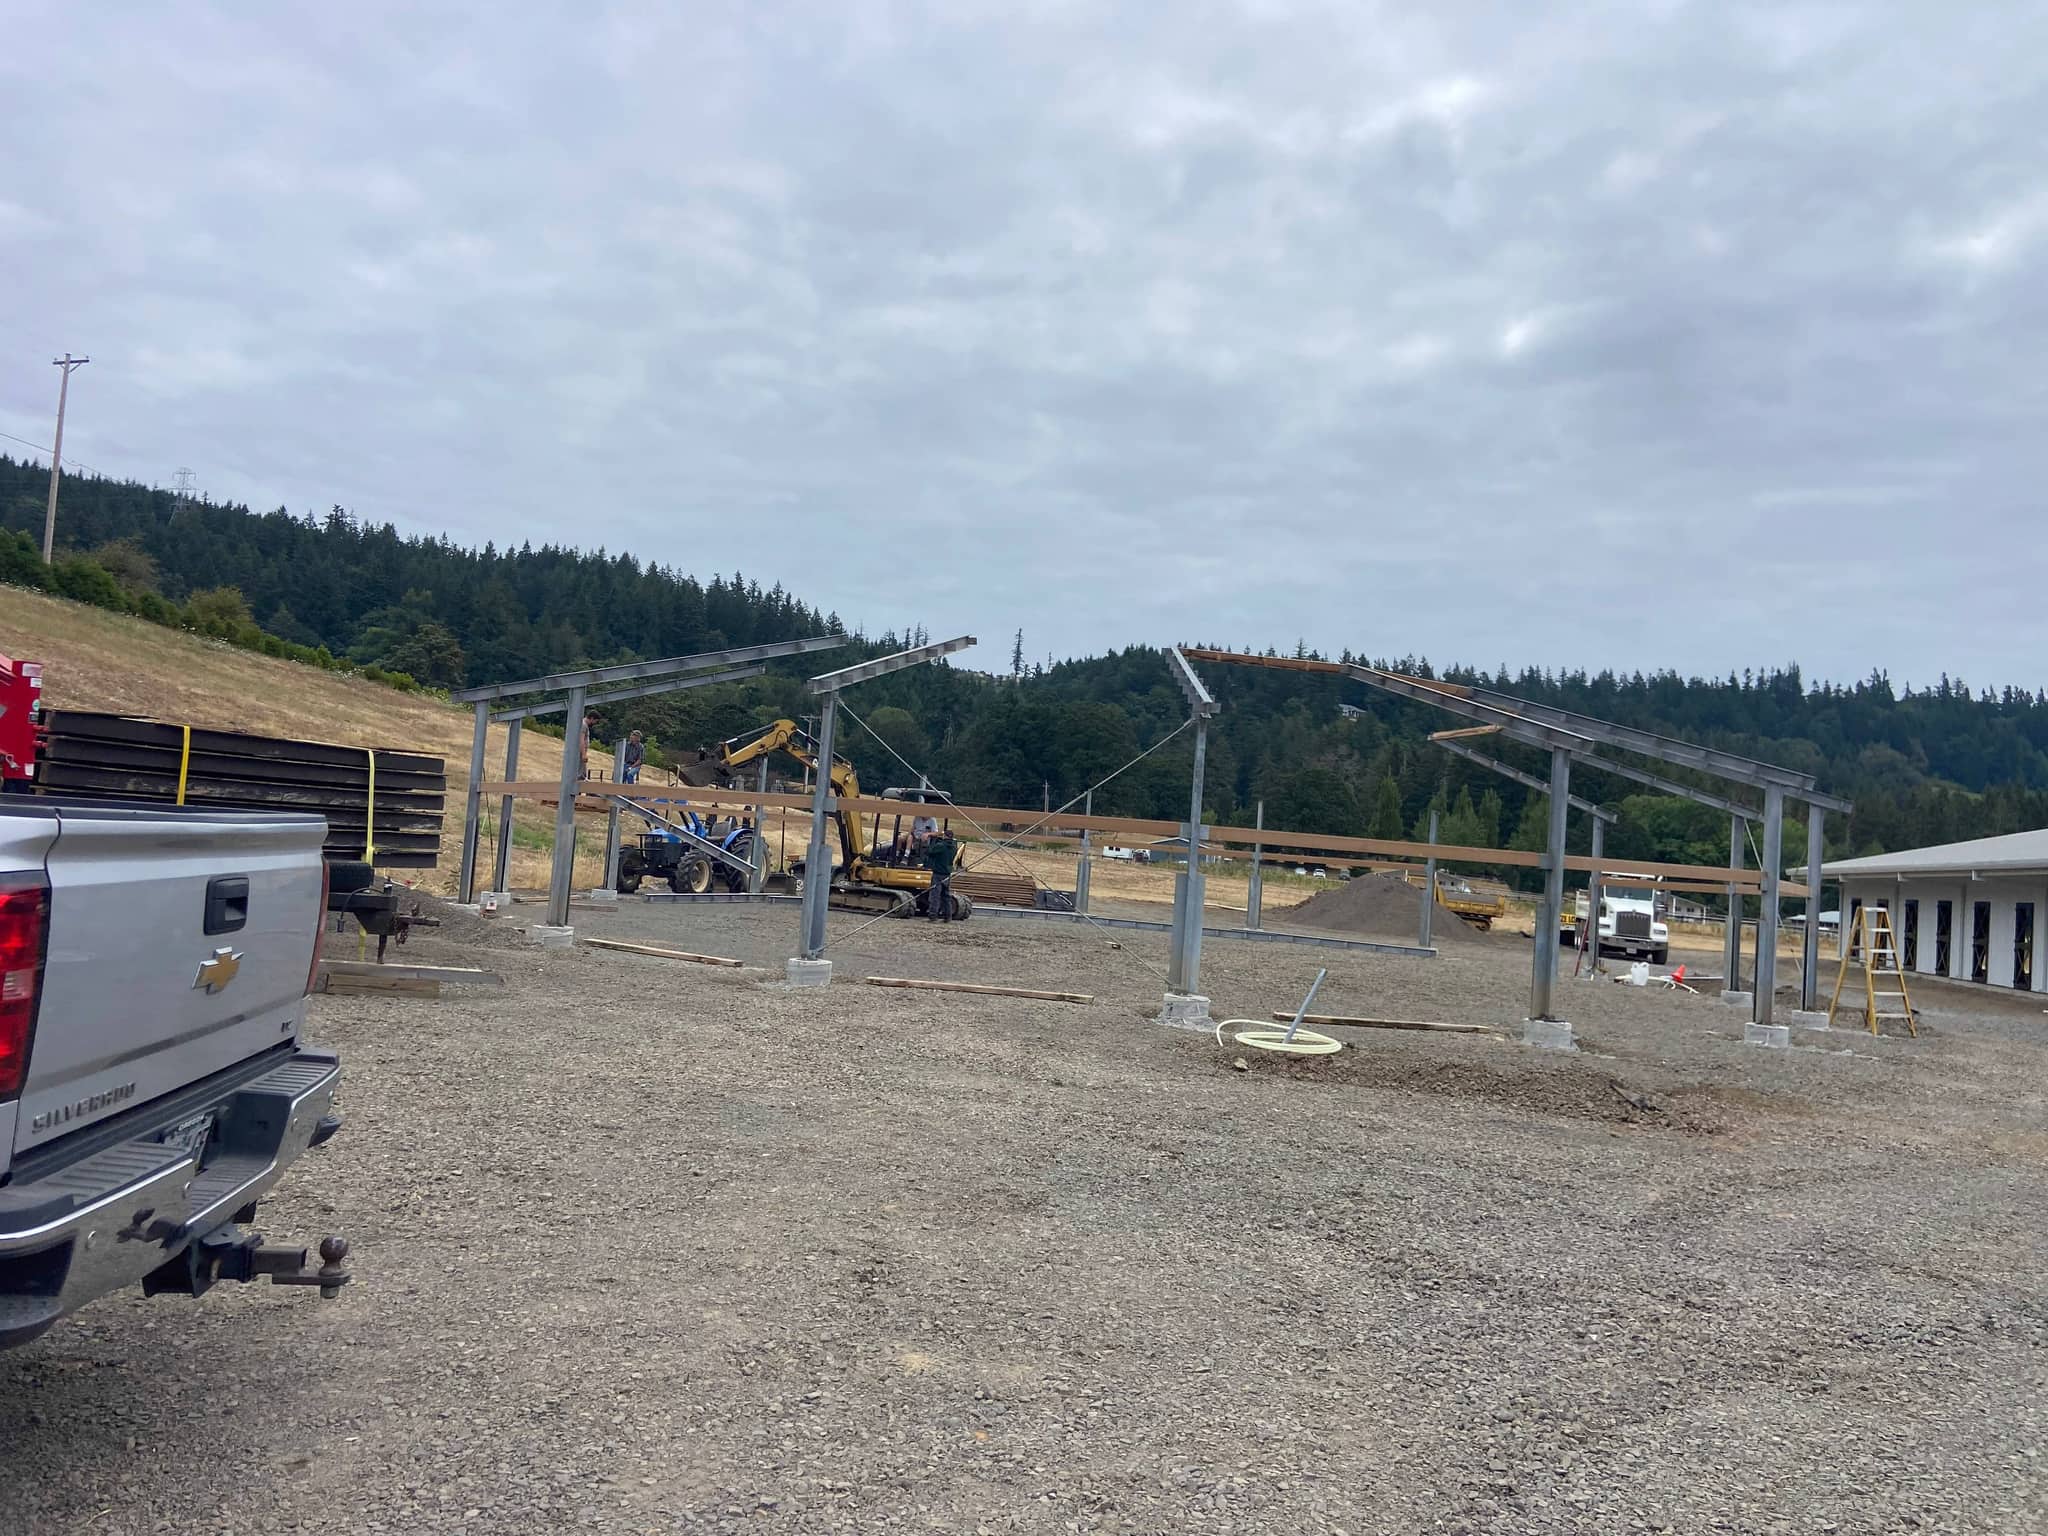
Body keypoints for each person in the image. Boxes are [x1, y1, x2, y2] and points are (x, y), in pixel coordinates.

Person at [923, 826, 958, 922]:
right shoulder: (954, 847)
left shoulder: (941, 845)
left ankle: (933, 916)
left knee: (935, 895)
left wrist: (931, 843)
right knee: (946, 896)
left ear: (945, 836)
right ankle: (948, 916)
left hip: (938, 873)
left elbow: (929, 852)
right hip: (947, 874)